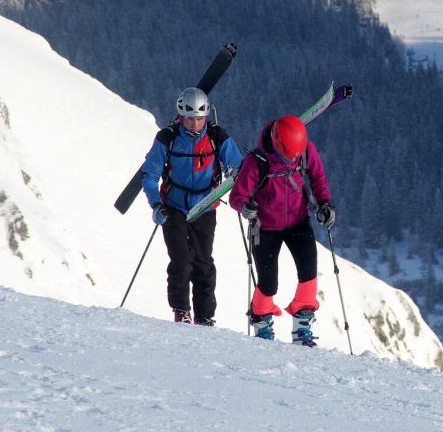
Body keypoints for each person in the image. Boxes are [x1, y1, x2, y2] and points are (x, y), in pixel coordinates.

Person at [229, 115, 336, 346]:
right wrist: (246, 208)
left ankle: (302, 328)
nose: (293, 160)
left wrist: (325, 203)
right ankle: (262, 323)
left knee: (308, 272)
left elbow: (318, 178)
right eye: (289, 156)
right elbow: (237, 197)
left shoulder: (305, 150)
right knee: (268, 282)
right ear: (277, 143)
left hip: (298, 220)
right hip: (265, 227)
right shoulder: (256, 161)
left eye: (296, 156)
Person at [141, 87, 243, 326]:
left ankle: (205, 315)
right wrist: (156, 204)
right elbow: (150, 174)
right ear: (181, 117)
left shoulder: (218, 137)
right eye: (190, 118)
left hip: (205, 207)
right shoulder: (168, 137)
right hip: (173, 207)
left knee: (203, 261)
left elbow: (239, 166)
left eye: (200, 118)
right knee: (180, 260)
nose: (195, 124)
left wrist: (237, 178)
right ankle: (181, 310)